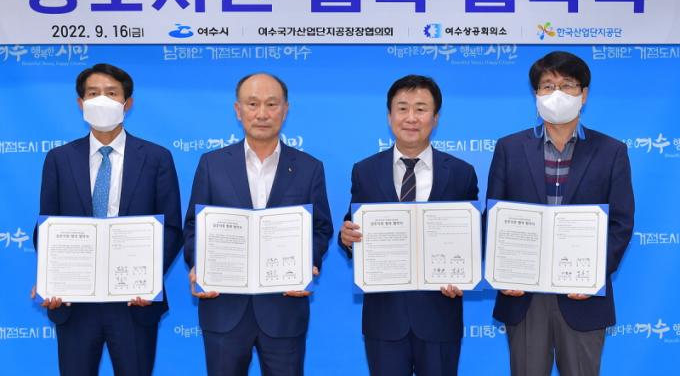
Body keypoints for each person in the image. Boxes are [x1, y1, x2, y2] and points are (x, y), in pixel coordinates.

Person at [487, 51, 634, 376]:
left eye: (567, 85)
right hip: (524, 296)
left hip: (583, 296)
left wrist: (594, 275)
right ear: (536, 94)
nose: (557, 94)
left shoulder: (611, 151)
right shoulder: (509, 148)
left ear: (584, 94)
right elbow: (494, 218)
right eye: (547, 86)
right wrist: (503, 273)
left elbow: (621, 224)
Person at [33, 63, 183, 376]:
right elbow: (46, 228)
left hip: (135, 302)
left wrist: (149, 279)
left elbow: (171, 229)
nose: (102, 99)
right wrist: (51, 278)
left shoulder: (156, 158)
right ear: (80, 103)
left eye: (112, 93)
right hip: (74, 303)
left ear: (127, 103)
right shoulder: (59, 159)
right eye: (93, 93)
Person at [183, 73, 333, 376]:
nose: (262, 113)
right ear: (238, 110)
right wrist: (199, 264)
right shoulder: (212, 164)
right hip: (223, 307)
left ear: (285, 110)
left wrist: (309, 263)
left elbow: (321, 228)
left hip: (284, 309)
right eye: (252, 104)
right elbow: (193, 228)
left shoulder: (309, 168)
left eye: (271, 104)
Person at [339, 75, 479, 376]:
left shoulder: (461, 173)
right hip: (384, 317)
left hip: (440, 314)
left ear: (435, 117)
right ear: (390, 116)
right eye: (402, 108)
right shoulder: (365, 171)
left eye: (421, 109)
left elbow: (473, 239)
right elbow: (352, 226)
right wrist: (347, 238)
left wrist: (464, 274)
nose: (411, 118)